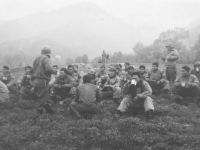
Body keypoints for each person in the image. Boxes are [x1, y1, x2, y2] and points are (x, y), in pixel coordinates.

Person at [32, 45, 55, 114]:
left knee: (43, 94)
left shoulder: (36, 59)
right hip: (43, 80)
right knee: (42, 96)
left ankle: (49, 109)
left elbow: (34, 69)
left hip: (36, 80)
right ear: (49, 52)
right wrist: (54, 71)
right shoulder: (46, 58)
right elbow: (48, 69)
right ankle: (39, 113)